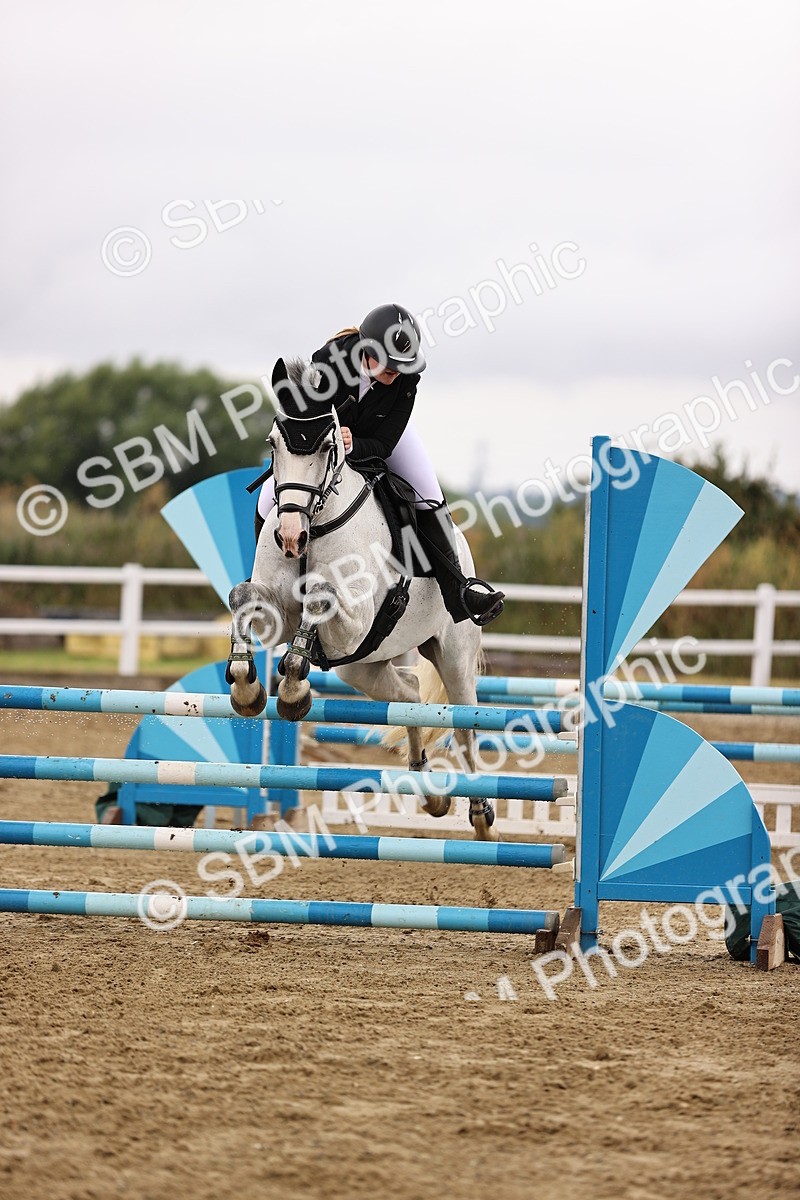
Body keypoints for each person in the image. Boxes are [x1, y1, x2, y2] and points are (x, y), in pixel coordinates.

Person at [256, 303, 504, 625]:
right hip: (328, 441)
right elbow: (308, 419)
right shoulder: (330, 360)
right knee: (268, 497)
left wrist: (354, 444)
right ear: (367, 351)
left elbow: (386, 444)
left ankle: (459, 592)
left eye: (402, 365)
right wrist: (335, 440)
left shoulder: (406, 379)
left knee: (428, 494)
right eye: (390, 363)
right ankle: (260, 578)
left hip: (377, 438)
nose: (397, 372)